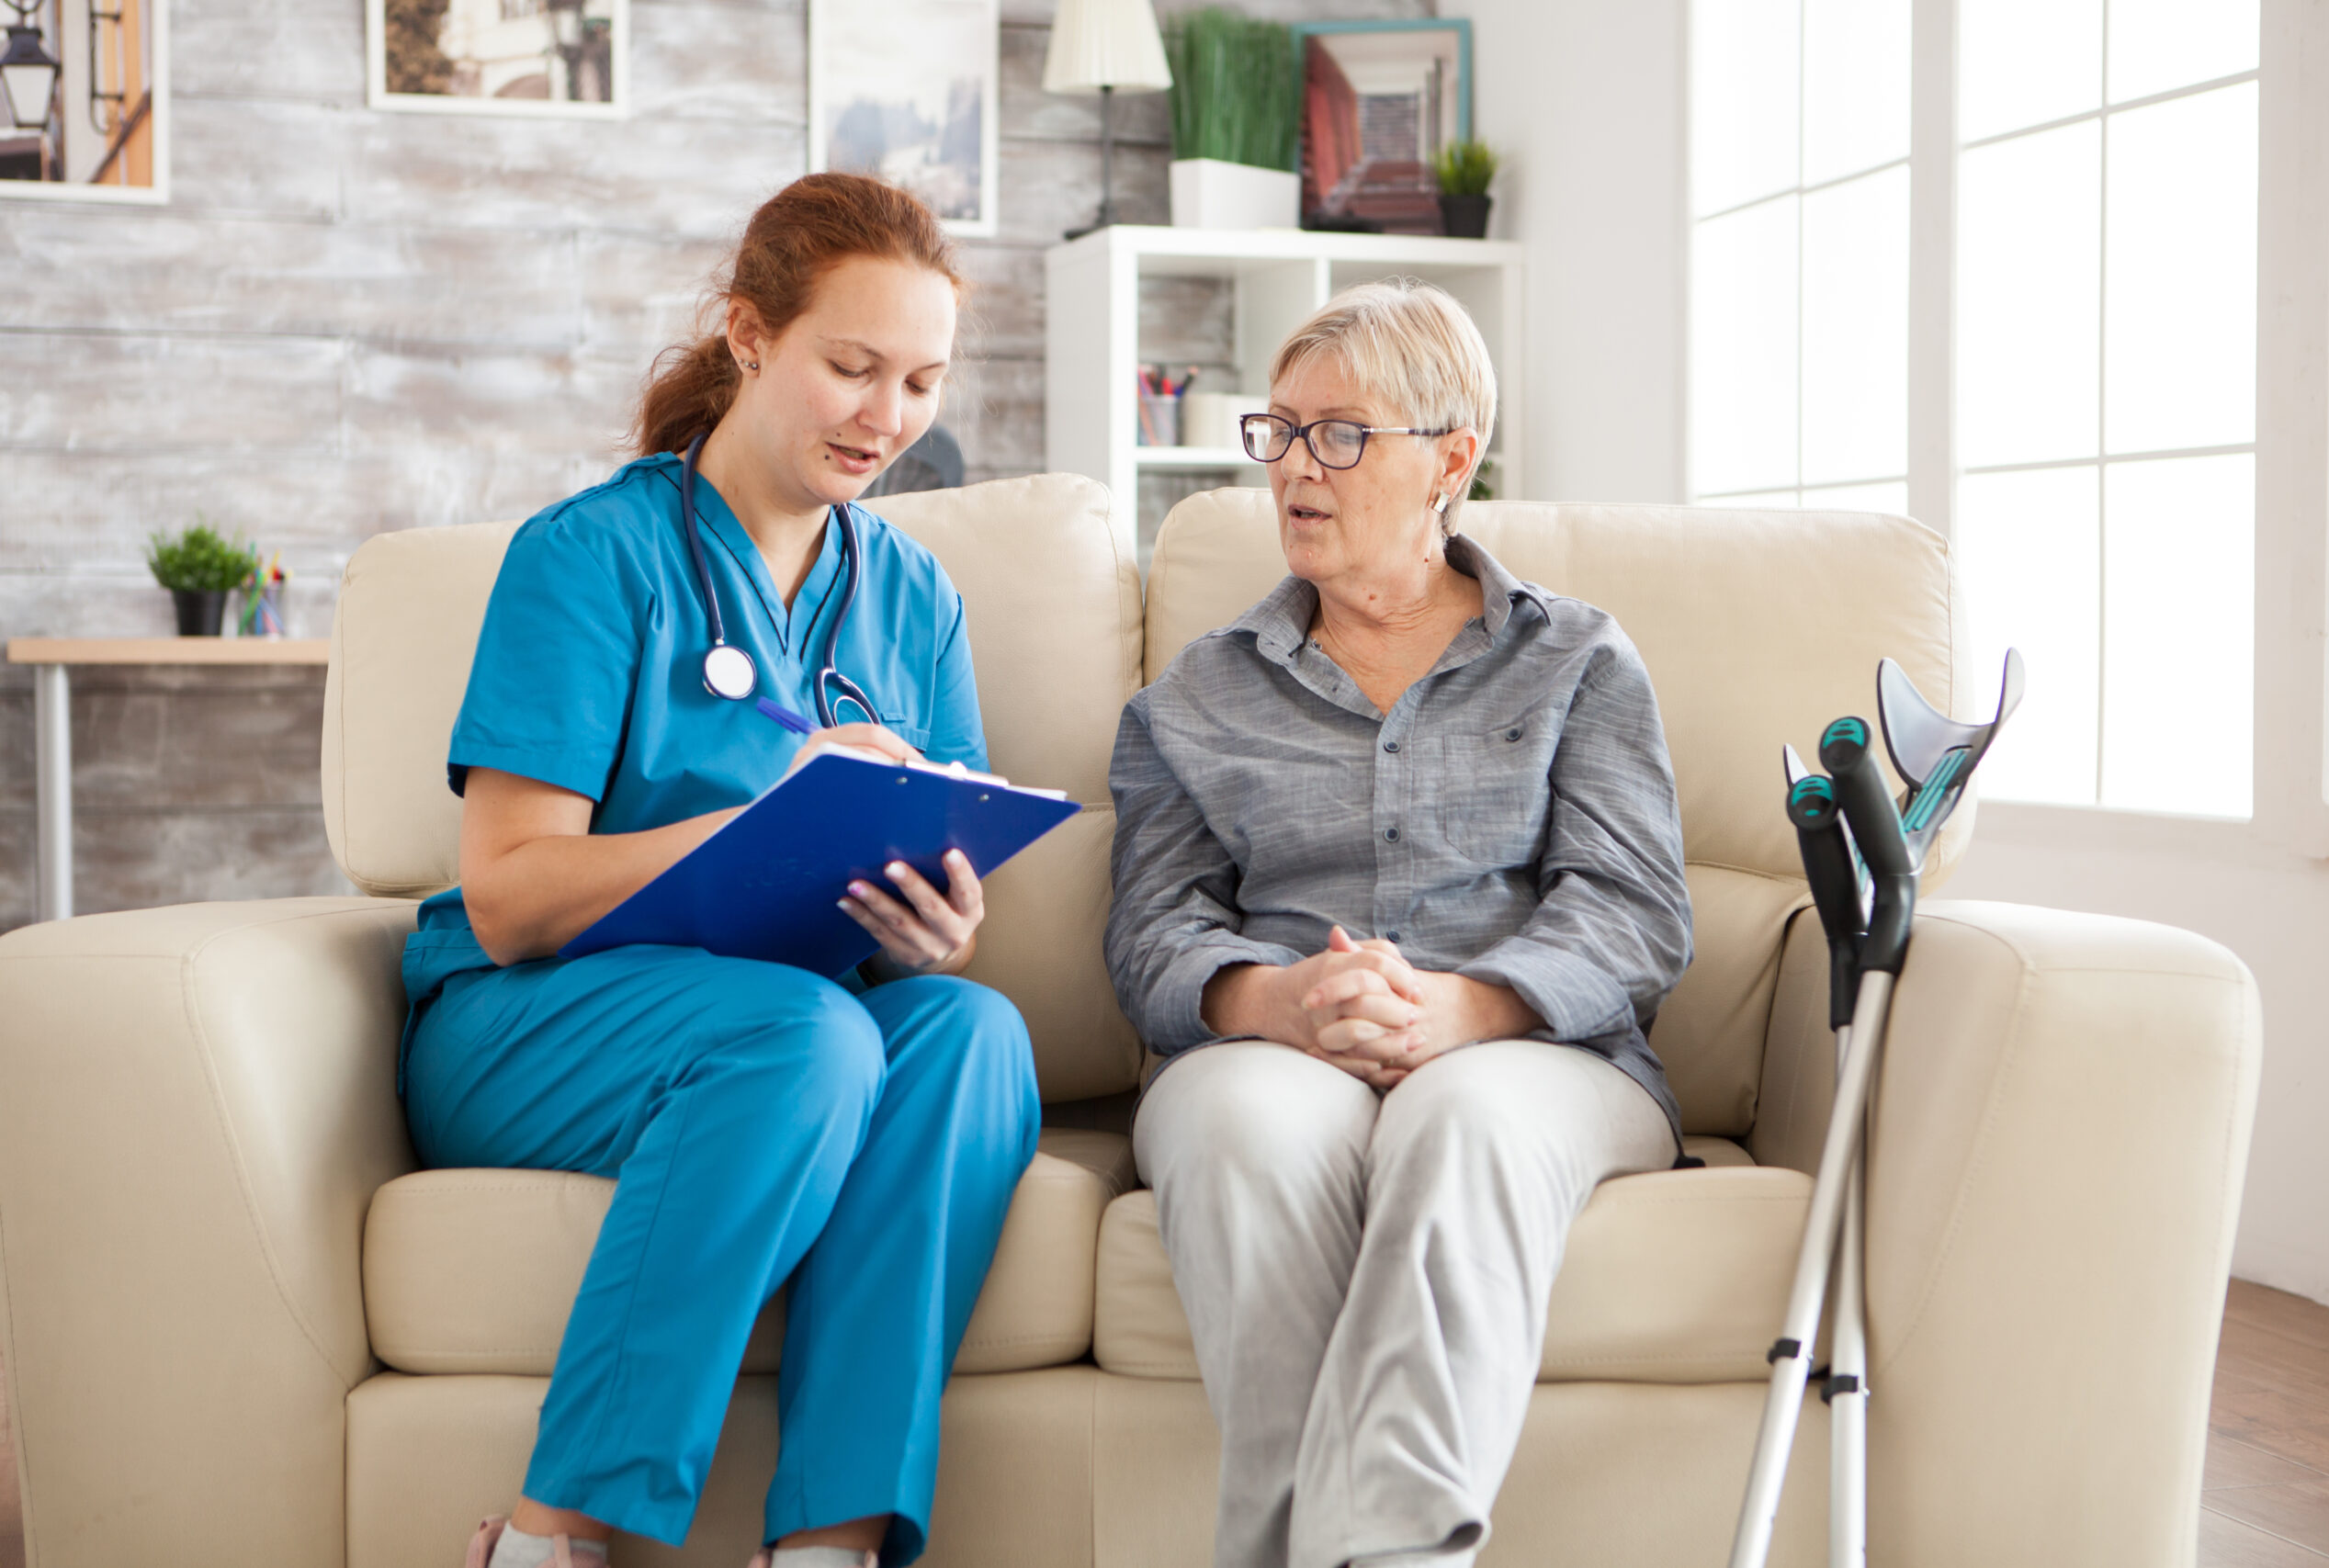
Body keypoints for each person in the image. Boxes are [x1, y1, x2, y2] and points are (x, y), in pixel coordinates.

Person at [400, 173, 1040, 1568]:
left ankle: (829, 1540)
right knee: (799, 1034)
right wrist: (762, 822)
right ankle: (552, 1535)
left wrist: (936, 926)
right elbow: (508, 893)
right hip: (536, 1026)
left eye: (921, 380)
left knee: (972, 1034)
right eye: (852, 367)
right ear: (751, 337)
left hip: (785, 1023)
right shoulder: (592, 557)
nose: (888, 417)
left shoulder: (913, 598)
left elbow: (926, 879)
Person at [1105, 280, 1693, 1568]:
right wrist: (1281, 1005)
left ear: (1452, 457)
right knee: (1235, 1128)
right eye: (1282, 431)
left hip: (1530, 1058)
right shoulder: (1195, 696)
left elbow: (1638, 912)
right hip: (1274, 1046)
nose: (1296, 468)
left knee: (1460, 1119)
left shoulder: (1578, 661)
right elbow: (1150, 934)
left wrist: (1459, 1010)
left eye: (1342, 434)